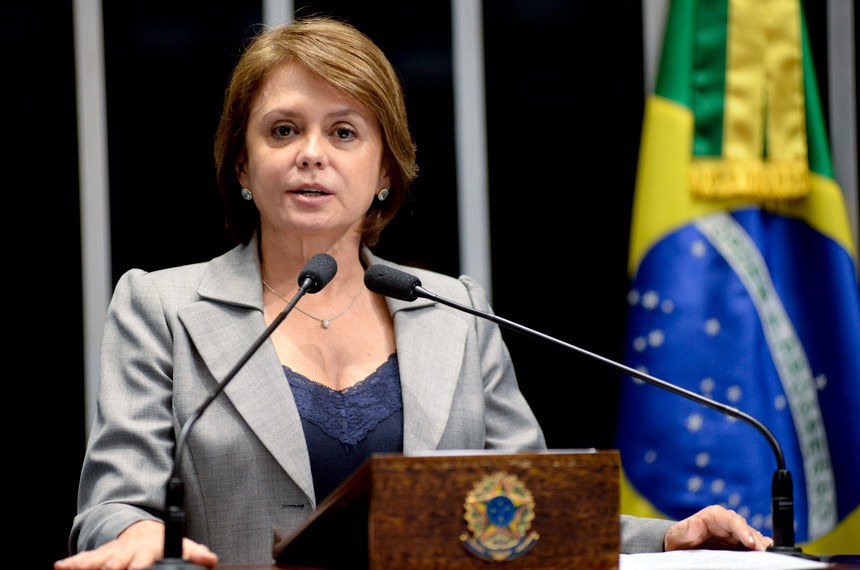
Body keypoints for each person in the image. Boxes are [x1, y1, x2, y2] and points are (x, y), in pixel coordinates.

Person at [55, 15, 774, 570]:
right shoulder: (163, 308)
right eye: (283, 130)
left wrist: (668, 539)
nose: (311, 154)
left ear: (385, 172)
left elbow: (528, 509)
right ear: (243, 164)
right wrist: (137, 532)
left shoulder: (454, 312)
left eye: (344, 132)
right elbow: (113, 504)